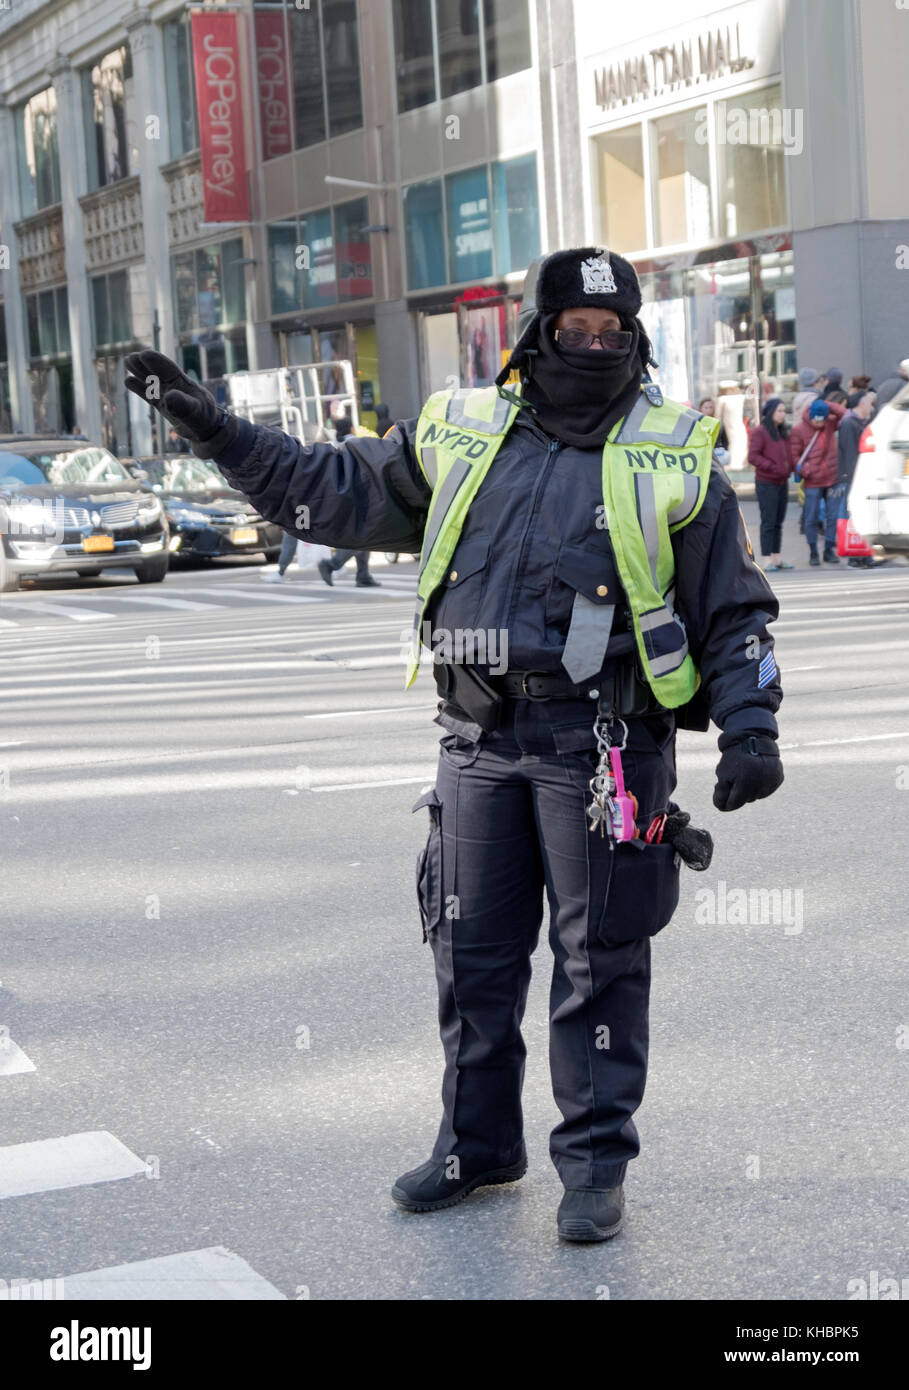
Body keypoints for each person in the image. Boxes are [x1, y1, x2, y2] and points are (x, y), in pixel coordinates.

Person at [123, 247, 784, 1243]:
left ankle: (595, 1164)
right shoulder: (464, 430)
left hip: (601, 748)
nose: (595, 348)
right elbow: (330, 490)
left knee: (599, 962)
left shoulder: (673, 450)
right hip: (476, 739)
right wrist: (211, 425)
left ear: (635, 340)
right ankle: (477, 1146)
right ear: (539, 333)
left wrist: (752, 723)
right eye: (576, 330)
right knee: (470, 955)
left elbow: (733, 610)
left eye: (614, 334)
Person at [317, 414, 380, 588]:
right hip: (358, 495)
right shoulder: (357, 444)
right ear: (352, 428)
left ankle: (363, 574)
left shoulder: (334, 445)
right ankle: (333, 564)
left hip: (340, 496)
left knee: (362, 534)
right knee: (363, 536)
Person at [789, 398, 846, 566]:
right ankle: (813, 551)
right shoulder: (799, 430)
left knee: (832, 516)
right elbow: (794, 456)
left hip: (832, 479)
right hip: (813, 481)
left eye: (822, 419)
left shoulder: (829, 422)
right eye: (816, 419)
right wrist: (807, 471)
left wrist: (827, 404)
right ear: (811, 416)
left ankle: (829, 550)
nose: (819, 423)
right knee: (811, 518)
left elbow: (845, 414)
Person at [748, 397, 794, 571]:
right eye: (779, 411)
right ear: (770, 413)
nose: (783, 414)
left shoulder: (782, 432)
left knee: (778, 522)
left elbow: (787, 454)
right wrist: (772, 467)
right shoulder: (760, 432)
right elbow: (753, 456)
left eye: (784, 411)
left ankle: (777, 558)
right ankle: (766, 559)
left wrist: (789, 466)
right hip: (766, 482)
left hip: (782, 481)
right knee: (768, 521)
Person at [835, 391, 876, 569]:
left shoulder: (862, 422)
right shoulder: (849, 424)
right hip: (854, 478)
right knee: (853, 517)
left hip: (863, 476)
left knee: (863, 516)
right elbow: (851, 456)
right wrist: (857, 480)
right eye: (869, 402)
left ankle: (864, 553)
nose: (872, 406)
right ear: (860, 403)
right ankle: (855, 555)